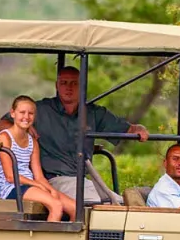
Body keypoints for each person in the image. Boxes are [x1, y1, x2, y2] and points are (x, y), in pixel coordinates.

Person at [35, 65, 149, 206]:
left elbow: (128, 129)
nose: (68, 87)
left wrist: (140, 129)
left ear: (82, 86)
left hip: (82, 180)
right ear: (57, 85)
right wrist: (26, 129)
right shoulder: (40, 110)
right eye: (64, 83)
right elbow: (3, 125)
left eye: (74, 83)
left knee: (121, 202)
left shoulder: (93, 113)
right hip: (54, 179)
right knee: (99, 203)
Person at [0, 95, 78, 221]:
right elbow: (10, 176)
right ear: (12, 113)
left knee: (75, 208)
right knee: (56, 205)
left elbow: (39, 176)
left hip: (31, 185)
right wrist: (39, 186)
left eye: (30, 113)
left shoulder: (32, 141)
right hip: (12, 188)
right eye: (22, 112)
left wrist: (50, 189)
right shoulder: (5, 137)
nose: (26, 117)